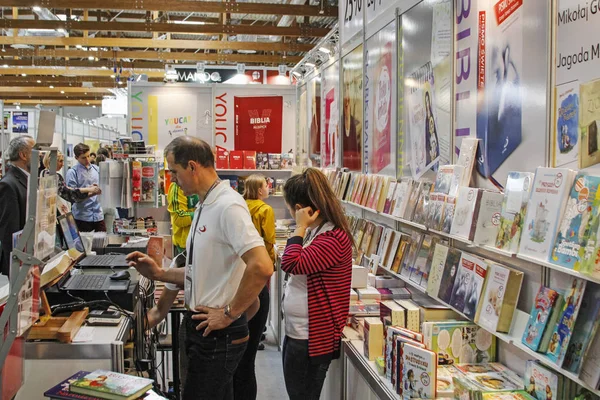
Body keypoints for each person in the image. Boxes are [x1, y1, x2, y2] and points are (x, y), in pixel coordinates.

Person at [126, 137, 273, 400]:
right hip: (204, 329)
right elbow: (204, 273)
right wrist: (160, 273)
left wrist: (228, 314)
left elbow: (262, 266)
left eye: (174, 171)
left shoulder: (228, 206)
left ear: (192, 166)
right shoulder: (205, 204)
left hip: (218, 334)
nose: (172, 179)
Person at [280, 168, 353, 400]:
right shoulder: (319, 232)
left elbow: (291, 263)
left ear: (301, 209)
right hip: (300, 334)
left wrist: (300, 227)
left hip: (311, 339)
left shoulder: (333, 238)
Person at [235, 174, 276, 399]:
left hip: (240, 270)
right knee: (247, 364)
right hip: (259, 267)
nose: (268, 188)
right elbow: (269, 239)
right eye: (265, 185)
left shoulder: (239, 206)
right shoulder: (265, 210)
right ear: (259, 191)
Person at [0, 135, 35, 275]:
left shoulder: (28, 179)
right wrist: (15, 268)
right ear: (23, 155)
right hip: (20, 263)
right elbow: (9, 231)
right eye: (35, 150)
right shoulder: (8, 184)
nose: (39, 155)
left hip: (30, 256)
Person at [66, 143, 106, 232]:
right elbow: (73, 196)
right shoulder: (72, 172)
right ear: (76, 158)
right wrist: (91, 192)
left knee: (102, 244)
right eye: (83, 157)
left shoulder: (97, 170)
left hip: (98, 215)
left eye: (88, 156)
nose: (87, 160)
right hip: (82, 218)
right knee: (84, 245)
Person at [168, 182, 198, 255]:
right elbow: (179, 218)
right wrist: (202, 214)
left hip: (200, 244)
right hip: (184, 247)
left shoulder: (203, 185)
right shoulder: (177, 186)